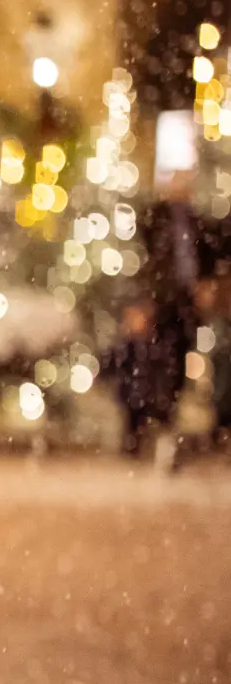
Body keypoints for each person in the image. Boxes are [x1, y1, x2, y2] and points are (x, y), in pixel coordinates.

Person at [117, 169, 202, 467]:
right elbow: (143, 259)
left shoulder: (194, 221)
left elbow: (201, 261)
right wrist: (140, 302)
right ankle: (145, 432)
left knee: (175, 370)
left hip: (184, 307)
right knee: (149, 368)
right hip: (157, 305)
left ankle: (165, 431)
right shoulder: (153, 218)